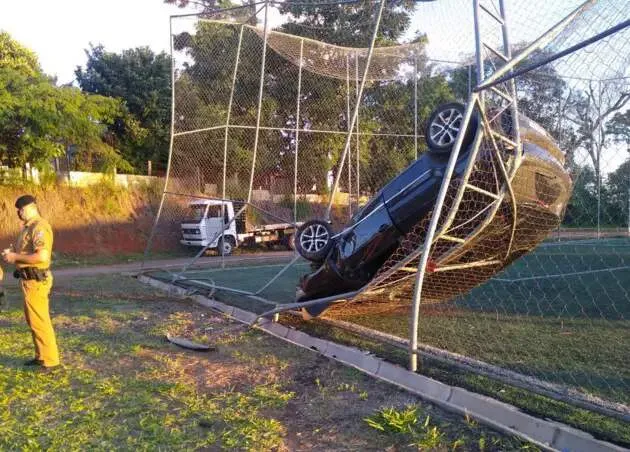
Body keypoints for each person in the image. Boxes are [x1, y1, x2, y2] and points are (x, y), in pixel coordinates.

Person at [1, 195, 60, 372]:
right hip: (28, 280)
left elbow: (42, 256)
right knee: (33, 320)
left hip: (36, 280)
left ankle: (50, 361)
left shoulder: (39, 227)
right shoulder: (28, 228)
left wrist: (15, 257)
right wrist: (13, 253)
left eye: (21, 209)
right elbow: (28, 251)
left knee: (40, 320)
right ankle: (40, 356)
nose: (19, 213)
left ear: (32, 207)